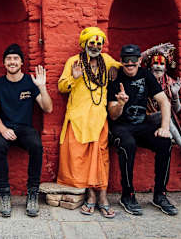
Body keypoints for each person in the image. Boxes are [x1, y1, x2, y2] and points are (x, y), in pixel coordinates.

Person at [57, 27, 121, 218]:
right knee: (81, 161)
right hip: (77, 119)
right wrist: (74, 78)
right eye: (91, 43)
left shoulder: (107, 60)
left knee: (100, 159)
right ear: (84, 44)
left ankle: (102, 197)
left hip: (99, 118)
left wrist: (145, 56)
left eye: (98, 43)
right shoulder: (73, 62)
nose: (95, 47)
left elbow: (123, 66)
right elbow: (62, 86)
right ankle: (90, 196)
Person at [107, 44, 178, 216]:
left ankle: (160, 194)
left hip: (142, 124)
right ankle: (127, 194)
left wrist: (164, 127)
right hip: (120, 127)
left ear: (140, 60)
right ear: (121, 61)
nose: (130, 64)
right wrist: (121, 104)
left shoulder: (146, 75)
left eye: (133, 60)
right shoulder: (115, 80)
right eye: (126, 60)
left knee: (164, 142)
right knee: (127, 144)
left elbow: (164, 102)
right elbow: (113, 115)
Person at [0, 43, 53, 217]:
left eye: (16, 58)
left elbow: (48, 109)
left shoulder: (30, 82)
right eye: (9, 59)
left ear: (21, 62)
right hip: (5, 128)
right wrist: (2, 130)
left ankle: (32, 192)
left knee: (36, 145)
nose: (12, 62)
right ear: (4, 63)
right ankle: (4, 193)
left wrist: (41, 86)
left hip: (25, 129)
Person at [142, 44, 181, 164]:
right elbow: (133, 61)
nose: (158, 67)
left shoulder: (169, 82)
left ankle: (172, 138)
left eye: (162, 64)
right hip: (146, 119)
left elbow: (176, 110)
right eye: (155, 63)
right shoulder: (143, 79)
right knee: (162, 114)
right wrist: (153, 49)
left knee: (165, 120)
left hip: (166, 125)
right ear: (149, 67)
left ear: (166, 68)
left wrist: (175, 94)